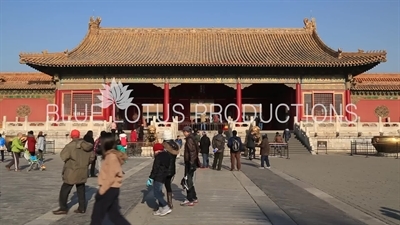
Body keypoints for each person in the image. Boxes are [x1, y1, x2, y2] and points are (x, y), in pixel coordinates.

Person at [90, 132, 130, 225]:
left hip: (109, 188)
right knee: (114, 215)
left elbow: (111, 176)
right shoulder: (110, 155)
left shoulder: (111, 157)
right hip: (112, 188)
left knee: (97, 215)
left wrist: (102, 191)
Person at [53, 129, 95, 215]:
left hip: (72, 170)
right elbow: (92, 158)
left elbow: (63, 156)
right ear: (79, 136)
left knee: (65, 189)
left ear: (71, 136)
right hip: (83, 170)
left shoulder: (70, 146)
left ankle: (63, 208)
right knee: (81, 189)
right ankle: (82, 208)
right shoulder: (88, 145)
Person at [147, 143, 172, 216]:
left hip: (158, 176)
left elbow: (155, 168)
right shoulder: (167, 155)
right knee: (159, 191)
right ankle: (161, 208)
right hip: (164, 176)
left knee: (157, 193)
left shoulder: (158, 157)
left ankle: (165, 206)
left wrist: (151, 178)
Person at [181, 126, 200, 206]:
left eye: (184, 132)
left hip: (190, 162)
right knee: (190, 180)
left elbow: (192, 152)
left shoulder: (189, 139)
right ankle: (194, 197)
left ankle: (190, 199)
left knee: (187, 180)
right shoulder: (193, 138)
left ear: (187, 132)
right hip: (192, 162)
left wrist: (191, 163)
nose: (183, 134)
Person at [162, 130, 180, 209]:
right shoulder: (175, 145)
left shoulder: (165, 146)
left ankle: (163, 203)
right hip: (172, 168)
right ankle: (170, 202)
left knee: (159, 186)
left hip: (165, 169)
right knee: (168, 185)